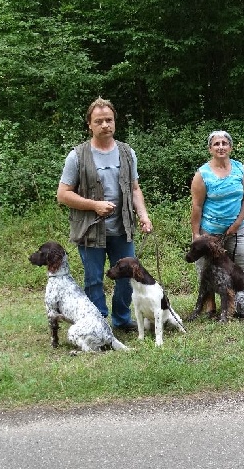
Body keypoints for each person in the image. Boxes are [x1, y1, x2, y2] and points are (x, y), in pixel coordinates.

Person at [56, 97, 153, 332]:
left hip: (123, 228)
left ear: (115, 122)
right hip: (90, 230)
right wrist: (94, 205)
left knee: (126, 278)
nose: (105, 125)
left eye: (109, 120)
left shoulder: (127, 152)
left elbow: (135, 188)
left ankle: (121, 320)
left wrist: (143, 215)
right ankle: (98, 322)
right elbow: (63, 194)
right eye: (99, 121)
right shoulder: (77, 156)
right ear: (89, 124)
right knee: (94, 280)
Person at [190, 130, 244, 275]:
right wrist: (196, 235)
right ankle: (209, 299)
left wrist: (236, 224)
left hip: (238, 231)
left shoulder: (240, 169)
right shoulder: (202, 174)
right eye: (216, 144)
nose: (221, 147)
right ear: (210, 149)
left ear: (230, 147)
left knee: (241, 271)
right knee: (208, 275)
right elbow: (197, 206)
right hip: (209, 233)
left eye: (224, 143)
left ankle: (241, 298)